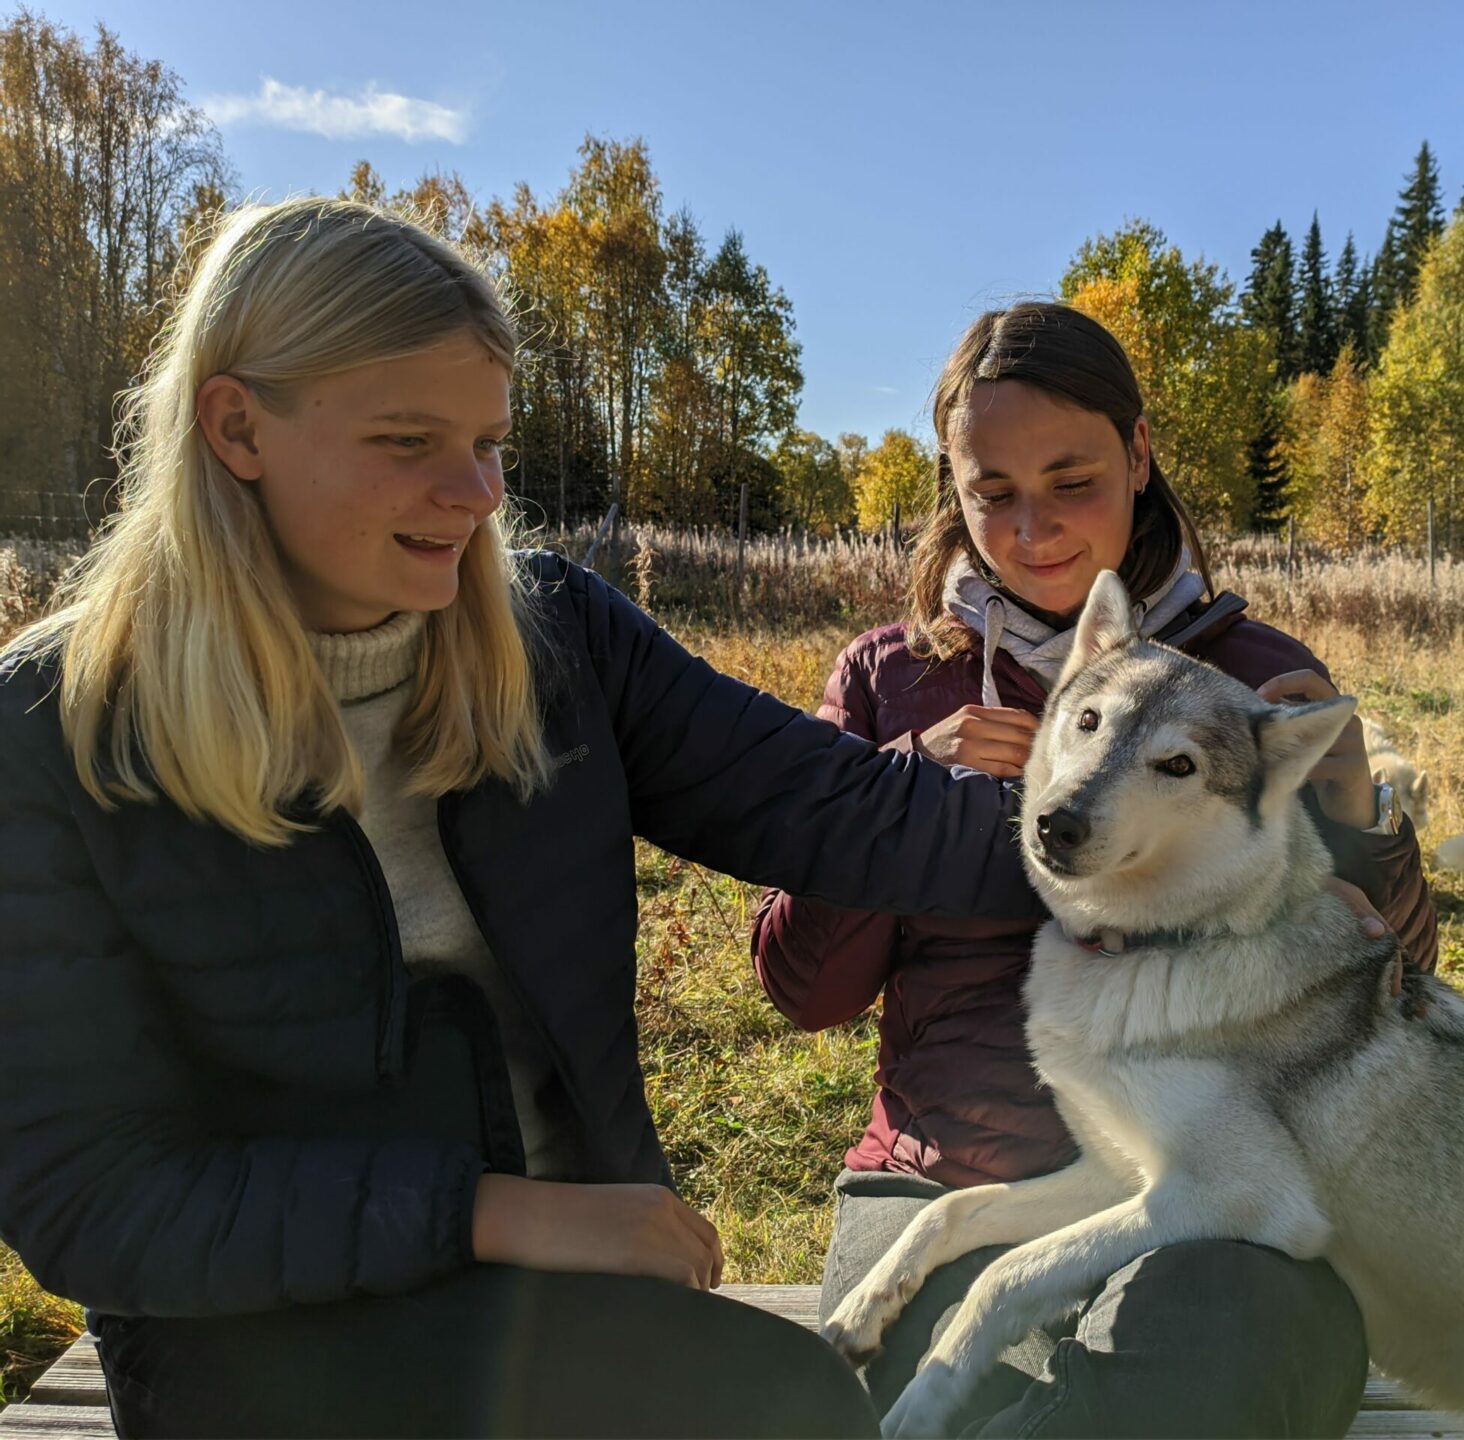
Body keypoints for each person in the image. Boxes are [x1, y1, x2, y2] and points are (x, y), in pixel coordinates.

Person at [0, 198, 1047, 1439]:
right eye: (409, 441)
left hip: (578, 1308)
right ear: (236, 427)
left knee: (796, 1405)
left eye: (491, 441)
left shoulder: (556, 640)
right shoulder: (55, 733)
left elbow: (841, 805)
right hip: (258, 1347)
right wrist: (498, 1212)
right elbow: (92, 1197)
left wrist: (1229, 855)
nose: (476, 494)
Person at [753, 302, 1438, 1439]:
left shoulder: (1257, 688)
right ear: (952, 488)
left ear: (1138, 454)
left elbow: (1394, 994)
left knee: (1226, 1358)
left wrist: (1357, 816)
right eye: (992, 493)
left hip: (1203, 1193)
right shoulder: (890, 683)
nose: (1031, 531)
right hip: (941, 1180)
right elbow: (803, 991)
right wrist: (894, 794)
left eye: (1072, 481)